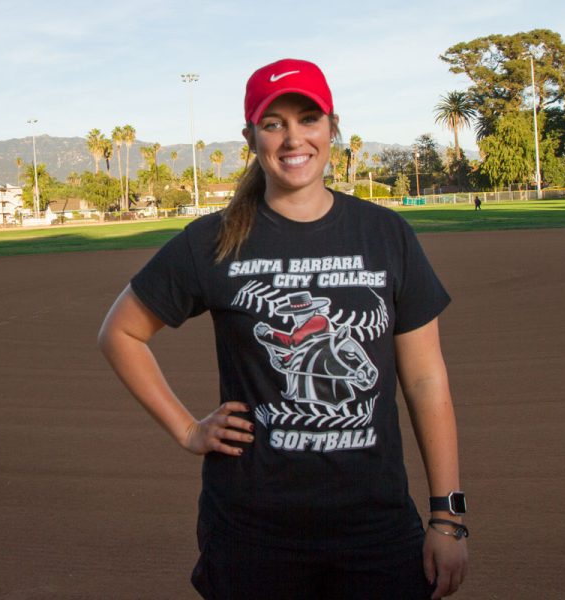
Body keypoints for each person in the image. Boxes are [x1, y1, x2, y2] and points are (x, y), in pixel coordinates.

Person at [98, 58, 469, 600]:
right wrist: (186, 429)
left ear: (331, 127)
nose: (293, 137)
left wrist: (448, 517)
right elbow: (120, 333)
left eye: (308, 118)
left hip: (375, 525)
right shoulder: (214, 240)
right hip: (252, 531)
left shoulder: (386, 234)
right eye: (273, 123)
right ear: (251, 137)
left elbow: (425, 379)